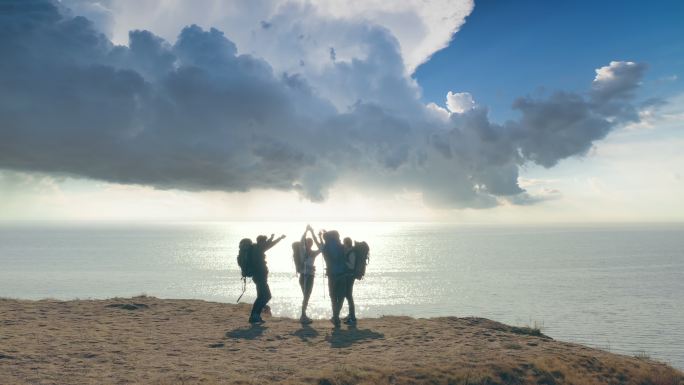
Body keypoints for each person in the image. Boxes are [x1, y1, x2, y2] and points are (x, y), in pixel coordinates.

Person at [249, 233, 286, 324]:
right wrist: (278, 239)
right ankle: (255, 315)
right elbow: (269, 245)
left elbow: (268, 244)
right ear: (261, 242)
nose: (265, 243)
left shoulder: (256, 248)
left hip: (258, 277)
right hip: (260, 277)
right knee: (266, 296)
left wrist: (273, 238)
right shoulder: (258, 250)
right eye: (264, 242)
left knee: (261, 296)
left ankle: (255, 316)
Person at [319, 230, 347, 327]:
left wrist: (319, 236)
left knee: (333, 298)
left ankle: (335, 317)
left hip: (331, 276)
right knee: (342, 296)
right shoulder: (341, 246)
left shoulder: (325, 248)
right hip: (342, 275)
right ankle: (336, 316)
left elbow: (320, 244)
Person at [298, 224, 322, 324]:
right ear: (306, 243)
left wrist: (312, 232)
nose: (310, 244)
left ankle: (303, 315)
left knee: (306, 296)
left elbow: (321, 247)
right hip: (304, 276)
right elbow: (301, 240)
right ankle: (303, 316)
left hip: (310, 276)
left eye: (311, 243)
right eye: (309, 242)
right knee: (306, 296)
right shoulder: (303, 251)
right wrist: (306, 231)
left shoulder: (313, 253)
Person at [342, 237, 357, 325]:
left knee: (349, 296)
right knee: (348, 296)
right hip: (347, 276)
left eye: (344, 243)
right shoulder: (348, 251)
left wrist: (344, 262)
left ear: (347, 243)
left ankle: (352, 317)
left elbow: (352, 266)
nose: (343, 245)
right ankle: (351, 315)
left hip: (350, 277)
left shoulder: (352, 253)